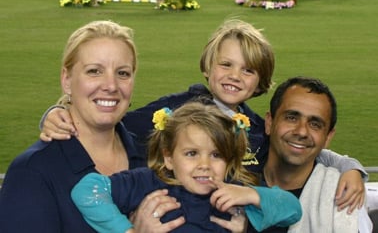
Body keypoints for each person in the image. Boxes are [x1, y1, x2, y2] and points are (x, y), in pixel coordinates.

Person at [39, 19, 366, 222]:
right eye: (226, 64)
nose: (235, 77)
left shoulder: (254, 128)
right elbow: (112, 121)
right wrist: (58, 110)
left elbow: (299, 147)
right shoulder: (177, 109)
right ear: (208, 66)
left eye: (248, 70)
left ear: (260, 81)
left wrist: (348, 166)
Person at [0, 20, 183, 232]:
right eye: (94, 71)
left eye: (122, 73)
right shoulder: (33, 171)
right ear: (66, 79)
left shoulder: (154, 155)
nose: (111, 86)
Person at [71, 101, 302, 233]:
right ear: (169, 158)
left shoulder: (233, 193)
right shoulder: (148, 183)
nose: (204, 165)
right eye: (191, 154)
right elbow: (87, 190)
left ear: (229, 160)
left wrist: (252, 195)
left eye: (216, 155)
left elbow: (292, 210)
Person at [259, 76, 372, 232]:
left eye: (315, 124)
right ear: (269, 122)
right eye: (291, 118)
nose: (301, 132)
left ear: (328, 137)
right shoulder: (233, 177)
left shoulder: (347, 199)